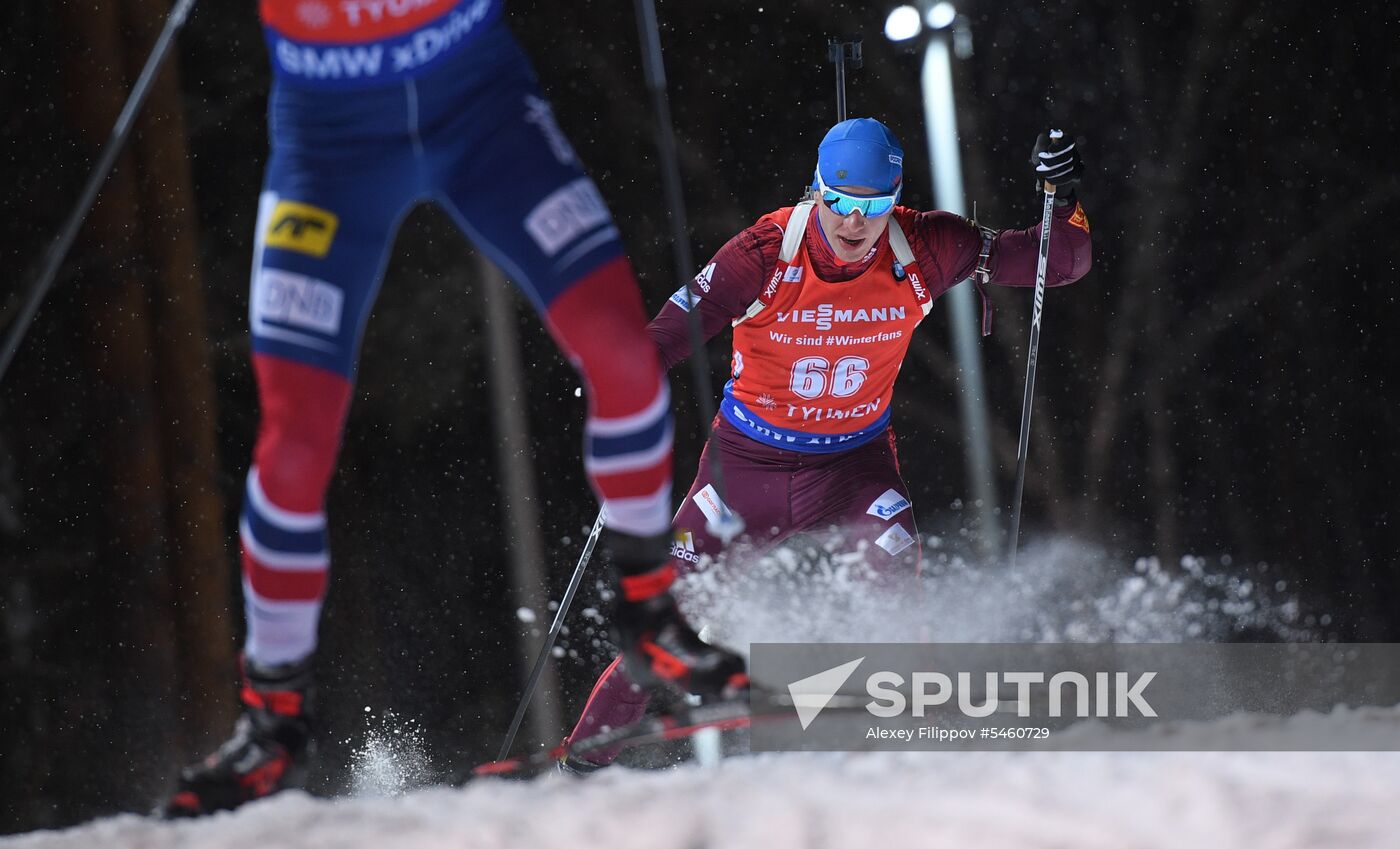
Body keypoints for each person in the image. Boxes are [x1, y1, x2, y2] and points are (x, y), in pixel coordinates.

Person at [163, 0, 745, 817]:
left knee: (624, 355)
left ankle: (649, 622)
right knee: (294, 442)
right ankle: (273, 722)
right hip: (331, 142)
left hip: (481, 109)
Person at [559, 117, 1092, 771]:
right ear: (817, 190)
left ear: (894, 201)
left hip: (854, 467)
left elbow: (1056, 262)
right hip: (745, 473)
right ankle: (580, 766)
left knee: (894, 570)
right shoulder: (765, 251)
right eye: (838, 202)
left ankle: (922, 744)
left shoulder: (924, 246)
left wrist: (1060, 194)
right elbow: (672, 331)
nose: (852, 223)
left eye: (871, 207)